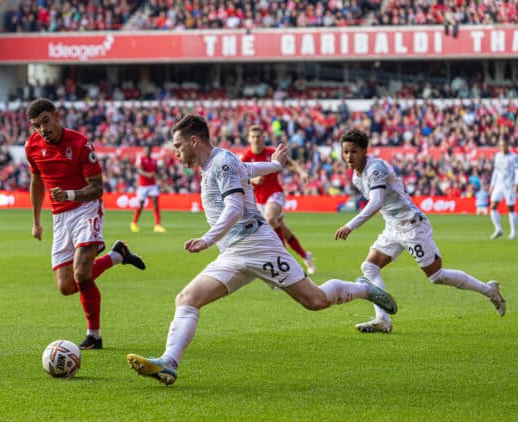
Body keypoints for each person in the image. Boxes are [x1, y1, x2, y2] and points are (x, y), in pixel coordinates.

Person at [126, 115, 398, 385]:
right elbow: (247, 169)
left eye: (178, 145)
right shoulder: (218, 163)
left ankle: (364, 288)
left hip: (258, 244)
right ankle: (169, 363)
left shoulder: (220, 162)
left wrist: (207, 239)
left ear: (193, 141)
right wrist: (274, 165)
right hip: (233, 253)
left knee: (314, 301)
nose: (175, 152)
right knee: (186, 299)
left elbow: (234, 207)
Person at [334, 129, 506, 334]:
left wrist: (350, 226)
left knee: (437, 276)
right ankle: (382, 319)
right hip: (393, 227)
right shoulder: (356, 177)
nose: (348, 157)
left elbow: (376, 202)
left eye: (353, 151)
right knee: (369, 267)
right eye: (345, 152)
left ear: (364, 151)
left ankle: (490, 291)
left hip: (412, 225)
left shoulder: (375, 167)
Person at [25, 98, 146, 350]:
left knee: (81, 273)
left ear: (56, 116)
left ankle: (94, 336)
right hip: (59, 217)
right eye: (36, 125)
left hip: (86, 209)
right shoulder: (32, 147)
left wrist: (69, 194)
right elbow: (37, 183)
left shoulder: (80, 144)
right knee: (67, 286)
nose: (42, 129)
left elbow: (97, 188)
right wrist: (36, 221)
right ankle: (117, 255)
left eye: (46, 121)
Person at [240, 125, 316, 275]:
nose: (256, 139)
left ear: (263, 137)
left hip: (275, 194)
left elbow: (290, 163)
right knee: (282, 229)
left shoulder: (271, 153)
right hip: (259, 200)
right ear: (249, 139)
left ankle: (284, 259)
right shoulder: (246, 157)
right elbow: (241, 177)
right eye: (253, 137)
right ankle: (306, 256)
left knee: (270, 217)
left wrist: (302, 173)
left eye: (258, 136)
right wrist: (254, 180)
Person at [131, 144, 166, 233]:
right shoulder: (141, 159)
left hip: (152, 185)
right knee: (141, 205)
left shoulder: (154, 160)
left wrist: (161, 178)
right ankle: (134, 223)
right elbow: (139, 170)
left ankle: (157, 225)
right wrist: (147, 174)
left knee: (156, 204)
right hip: (142, 186)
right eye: (145, 150)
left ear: (151, 151)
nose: (147, 152)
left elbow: (156, 171)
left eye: (148, 150)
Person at [488, 137, 518, 240]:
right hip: (499, 185)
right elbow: (495, 172)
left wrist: (516, 184)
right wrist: (492, 185)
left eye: (504, 145)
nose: (502, 147)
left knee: (511, 208)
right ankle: (498, 229)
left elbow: (517, 171)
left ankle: (513, 232)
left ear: (507, 146)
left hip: (509, 185)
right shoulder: (497, 156)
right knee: (493, 206)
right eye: (500, 145)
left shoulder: (514, 157)